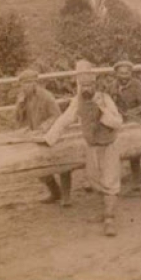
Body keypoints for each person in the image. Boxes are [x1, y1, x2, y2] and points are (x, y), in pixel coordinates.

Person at [44, 60, 124, 237]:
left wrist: (101, 110)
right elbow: (64, 120)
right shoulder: (77, 101)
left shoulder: (104, 98)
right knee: (95, 180)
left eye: (89, 84)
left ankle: (110, 220)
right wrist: (49, 139)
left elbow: (118, 122)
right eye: (82, 85)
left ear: (95, 84)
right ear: (78, 85)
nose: (86, 88)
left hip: (108, 145)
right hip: (91, 146)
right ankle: (103, 213)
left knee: (110, 182)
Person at [13, 69, 72, 207]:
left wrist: (44, 128)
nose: (26, 86)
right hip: (36, 135)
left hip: (54, 133)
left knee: (63, 162)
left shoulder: (46, 96)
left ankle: (66, 196)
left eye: (29, 83)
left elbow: (57, 115)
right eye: (23, 84)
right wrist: (20, 105)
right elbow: (17, 119)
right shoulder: (23, 98)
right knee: (38, 163)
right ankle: (55, 192)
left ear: (35, 83)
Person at [108, 60, 141, 196]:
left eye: (127, 73)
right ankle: (113, 182)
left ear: (131, 74)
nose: (124, 76)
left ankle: (136, 182)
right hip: (116, 122)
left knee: (133, 151)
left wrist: (133, 112)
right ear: (116, 74)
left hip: (133, 122)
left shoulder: (136, 85)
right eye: (121, 73)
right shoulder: (112, 87)